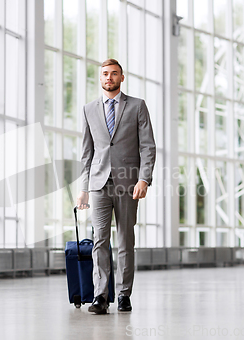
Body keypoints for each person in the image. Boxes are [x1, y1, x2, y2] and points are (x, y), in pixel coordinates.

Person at [76, 59, 156, 314]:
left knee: (125, 241)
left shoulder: (137, 106)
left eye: (113, 74)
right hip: (99, 184)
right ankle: (100, 295)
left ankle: (123, 294)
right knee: (100, 240)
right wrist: (83, 187)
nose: (108, 78)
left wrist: (144, 179)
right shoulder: (89, 109)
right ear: (100, 78)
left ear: (122, 77)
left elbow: (147, 146)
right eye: (104, 74)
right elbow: (86, 153)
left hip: (128, 183)